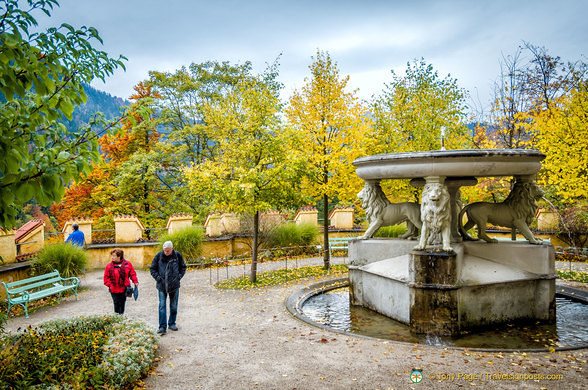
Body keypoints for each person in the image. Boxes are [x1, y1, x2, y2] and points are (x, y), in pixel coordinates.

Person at [150, 241, 186, 335]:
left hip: (174, 285)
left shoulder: (177, 256)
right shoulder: (159, 256)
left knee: (173, 306)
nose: (166, 252)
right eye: (165, 250)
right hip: (162, 285)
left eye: (168, 251)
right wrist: (158, 279)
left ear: (172, 249)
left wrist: (178, 277)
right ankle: (162, 327)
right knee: (162, 306)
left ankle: (172, 323)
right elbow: (152, 269)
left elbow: (183, 267)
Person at [103, 248, 139, 315]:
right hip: (114, 289)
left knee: (122, 304)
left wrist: (135, 281)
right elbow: (106, 278)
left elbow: (132, 274)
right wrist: (110, 285)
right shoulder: (109, 266)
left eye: (114, 256)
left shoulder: (127, 264)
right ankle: (116, 319)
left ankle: (121, 318)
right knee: (116, 304)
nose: (112, 257)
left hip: (124, 289)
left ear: (119, 256)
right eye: (112, 255)